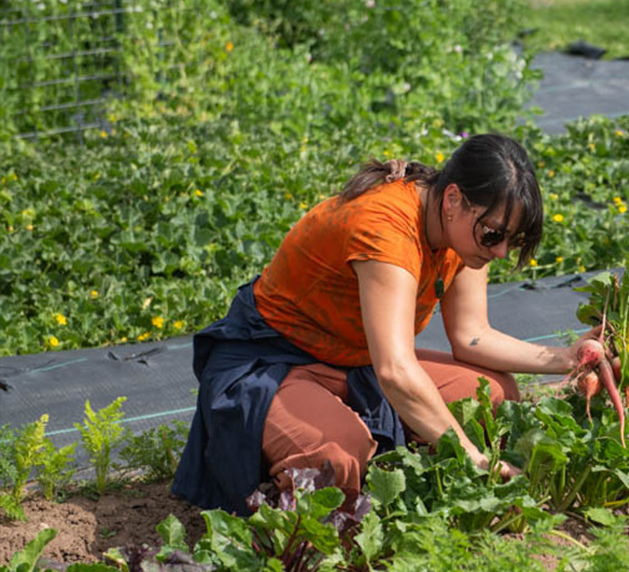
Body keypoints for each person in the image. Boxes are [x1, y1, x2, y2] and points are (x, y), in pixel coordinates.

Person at [172, 133, 597, 515]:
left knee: (493, 393)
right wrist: (473, 458)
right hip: (274, 362)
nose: (501, 251)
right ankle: (283, 481)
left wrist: (567, 357)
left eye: (512, 240)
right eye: (493, 235)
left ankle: (381, 460)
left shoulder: (463, 237)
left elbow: (473, 336)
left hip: (354, 364)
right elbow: (395, 370)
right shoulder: (388, 231)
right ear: (452, 199)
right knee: (336, 458)